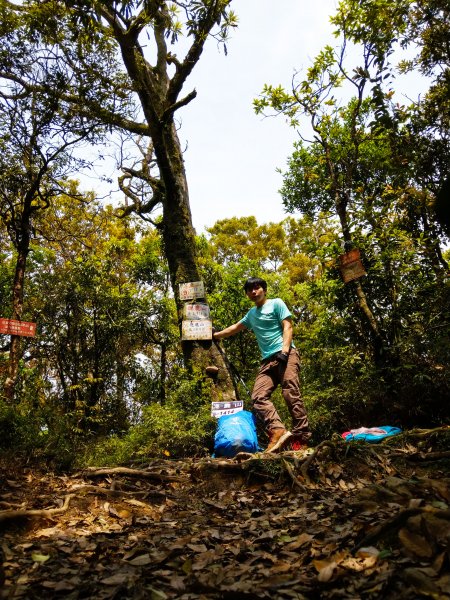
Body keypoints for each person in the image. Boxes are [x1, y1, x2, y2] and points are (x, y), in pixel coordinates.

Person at [213, 277, 311, 453]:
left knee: (291, 393)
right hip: (267, 361)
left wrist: (285, 351)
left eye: (257, 288)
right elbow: (235, 327)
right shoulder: (251, 314)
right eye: (249, 289)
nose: (253, 291)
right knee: (258, 396)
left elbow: (287, 327)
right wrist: (216, 335)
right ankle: (278, 430)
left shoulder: (276, 303)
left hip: (286, 355)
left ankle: (302, 438)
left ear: (264, 290)